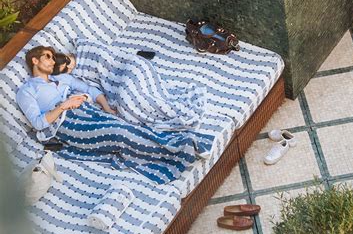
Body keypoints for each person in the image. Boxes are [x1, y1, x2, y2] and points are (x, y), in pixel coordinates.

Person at [15, 46, 213, 184]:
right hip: (66, 124)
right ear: (35, 60)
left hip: (88, 110)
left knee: (129, 128)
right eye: (47, 57)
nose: (52, 60)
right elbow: (38, 123)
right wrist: (64, 105)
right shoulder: (27, 91)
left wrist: (107, 107)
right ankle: (181, 149)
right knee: (119, 135)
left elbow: (90, 90)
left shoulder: (62, 78)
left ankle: (183, 143)